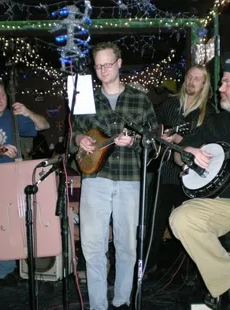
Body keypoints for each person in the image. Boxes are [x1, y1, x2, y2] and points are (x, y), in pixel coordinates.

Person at [169, 54, 230, 310]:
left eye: (226, 82)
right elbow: (180, 152)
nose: (220, 89)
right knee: (181, 218)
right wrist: (187, 154)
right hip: (220, 202)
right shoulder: (218, 121)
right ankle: (228, 288)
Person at [72, 42, 158, 310]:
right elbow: (73, 138)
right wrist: (80, 139)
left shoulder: (140, 99)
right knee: (93, 246)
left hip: (129, 178)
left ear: (120, 63)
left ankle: (121, 301)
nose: (103, 70)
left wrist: (134, 142)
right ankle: (97, 305)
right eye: (98, 66)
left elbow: (153, 144)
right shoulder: (86, 101)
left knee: (126, 245)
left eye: (107, 64)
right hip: (95, 178)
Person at [0, 80, 50, 289]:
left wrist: (28, 112)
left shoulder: (14, 117)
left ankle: (5, 273)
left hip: (8, 181)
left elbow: (44, 125)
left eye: (2, 95)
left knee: (7, 228)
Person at [145, 65, 216, 274]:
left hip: (193, 177)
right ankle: (148, 266)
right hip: (165, 171)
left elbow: (211, 143)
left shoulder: (208, 111)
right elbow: (151, 125)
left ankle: (191, 272)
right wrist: (160, 136)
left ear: (204, 84)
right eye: (190, 77)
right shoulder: (170, 103)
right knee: (155, 220)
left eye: (197, 79)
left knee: (191, 225)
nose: (192, 82)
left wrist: (180, 139)